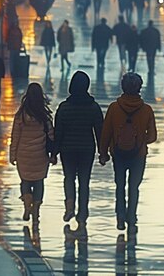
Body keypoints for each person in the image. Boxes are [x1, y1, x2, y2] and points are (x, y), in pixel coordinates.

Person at [99, 73, 157, 236]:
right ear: (139, 88)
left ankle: (120, 216)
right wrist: (139, 140)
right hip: (138, 155)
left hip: (118, 153)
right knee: (134, 186)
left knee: (120, 185)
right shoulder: (146, 110)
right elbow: (152, 136)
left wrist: (103, 152)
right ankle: (131, 216)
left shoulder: (114, 108)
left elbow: (106, 133)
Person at [54, 71, 103, 237]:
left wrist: (53, 152)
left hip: (67, 149)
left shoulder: (64, 107)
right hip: (86, 149)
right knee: (84, 181)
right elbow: (99, 131)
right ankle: (83, 212)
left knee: (69, 178)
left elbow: (58, 132)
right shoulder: (93, 107)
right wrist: (103, 151)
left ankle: (69, 205)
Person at [10, 83, 55, 228]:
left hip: (23, 155)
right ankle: (36, 211)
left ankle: (27, 201)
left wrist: (13, 155)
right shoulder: (45, 116)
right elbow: (51, 136)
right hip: (40, 155)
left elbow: (15, 137)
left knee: (25, 181)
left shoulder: (20, 116)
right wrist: (53, 154)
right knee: (38, 182)